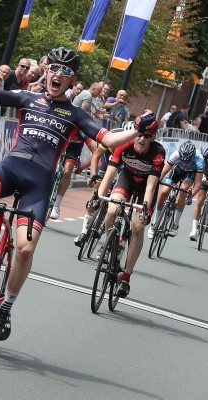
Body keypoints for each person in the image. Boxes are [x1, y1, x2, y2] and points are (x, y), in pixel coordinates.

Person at [0, 43, 156, 340]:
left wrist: (137, 129)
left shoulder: (74, 114)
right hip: (11, 168)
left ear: (72, 80)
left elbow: (109, 139)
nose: (59, 74)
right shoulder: (26, 97)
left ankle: (6, 307)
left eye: (67, 72)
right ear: (46, 71)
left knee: (24, 248)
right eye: (55, 68)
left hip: (39, 183)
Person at [88, 113, 164, 298]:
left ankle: (126, 277)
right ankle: (112, 244)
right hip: (127, 180)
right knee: (112, 210)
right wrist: (98, 197)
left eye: (146, 136)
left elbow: (152, 186)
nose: (141, 139)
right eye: (139, 134)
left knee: (138, 227)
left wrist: (145, 208)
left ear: (152, 137)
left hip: (145, 187)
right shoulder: (123, 144)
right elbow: (110, 173)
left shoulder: (158, 152)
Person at [148, 140, 203, 239]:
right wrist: (157, 182)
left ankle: (175, 224)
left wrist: (190, 196)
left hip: (191, 173)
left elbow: (198, 183)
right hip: (177, 169)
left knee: (183, 192)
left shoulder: (199, 160)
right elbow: (164, 172)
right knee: (164, 192)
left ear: (193, 157)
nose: (185, 163)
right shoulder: (176, 154)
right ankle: (155, 222)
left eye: (188, 161)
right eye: (183, 160)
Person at [49, 132, 97, 220]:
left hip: (74, 148)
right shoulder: (65, 127)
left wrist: (82, 167)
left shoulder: (82, 133)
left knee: (67, 171)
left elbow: (96, 152)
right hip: (60, 142)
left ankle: (56, 206)